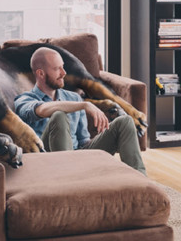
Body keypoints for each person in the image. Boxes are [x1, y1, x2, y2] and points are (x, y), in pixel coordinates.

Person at [14, 47, 146, 175]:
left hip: (79, 157)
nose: (63, 73)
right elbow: (42, 110)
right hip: (48, 163)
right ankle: (69, 182)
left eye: (63, 66)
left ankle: (141, 180)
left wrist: (104, 137)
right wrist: (84, 105)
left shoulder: (74, 98)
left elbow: (84, 142)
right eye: (57, 69)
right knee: (59, 115)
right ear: (40, 73)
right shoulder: (24, 100)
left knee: (125, 122)